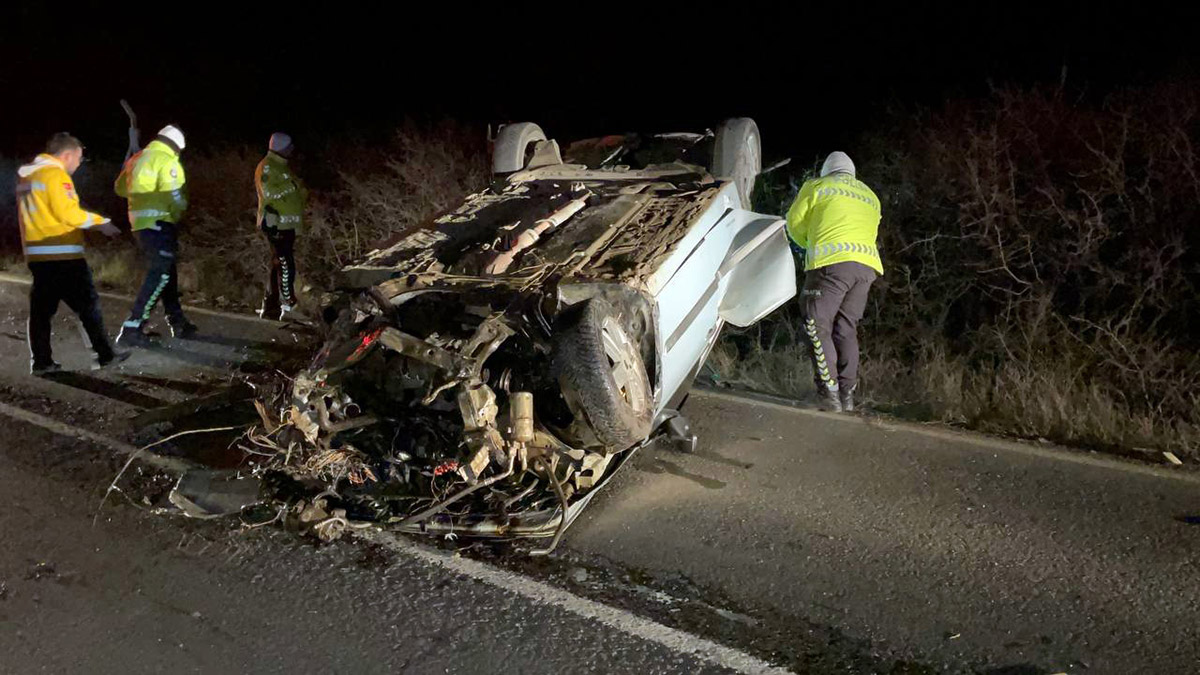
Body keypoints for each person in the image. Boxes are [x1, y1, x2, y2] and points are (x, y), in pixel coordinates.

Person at [16, 133, 128, 374]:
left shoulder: (28, 176)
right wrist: (101, 222)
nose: (78, 164)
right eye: (78, 158)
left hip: (38, 254)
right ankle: (104, 355)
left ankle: (41, 362)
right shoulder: (56, 175)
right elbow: (69, 214)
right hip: (64, 254)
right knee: (88, 306)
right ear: (66, 154)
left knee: (41, 312)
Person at [784, 151, 883, 412]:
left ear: (826, 171)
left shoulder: (817, 186)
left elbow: (794, 222)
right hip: (866, 269)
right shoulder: (870, 196)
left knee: (815, 324)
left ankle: (828, 393)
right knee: (845, 328)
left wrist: (807, 243)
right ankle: (847, 396)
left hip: (832, 265)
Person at [114, 125, 197, 346]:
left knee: (167, 272)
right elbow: (175, 198)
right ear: (176, 147)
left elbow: (120, 189)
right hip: (160, 223)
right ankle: (132, 327)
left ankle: (178, 322)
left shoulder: (137, 159)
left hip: (140, 226)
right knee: (160, 274)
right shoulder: (168, 161)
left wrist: (129, 164)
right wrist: (180, 212)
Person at [254, 132, 308, 320]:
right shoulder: (268, 167)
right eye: (289, 146)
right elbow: (270, 192)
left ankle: (270, 307)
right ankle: (288, 306)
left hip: (286, 225)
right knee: (286, 265)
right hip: (276, 224)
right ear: (282, 147)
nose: (292, 150)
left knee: (278, 265)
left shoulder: (281, 167)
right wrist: (292, 188)